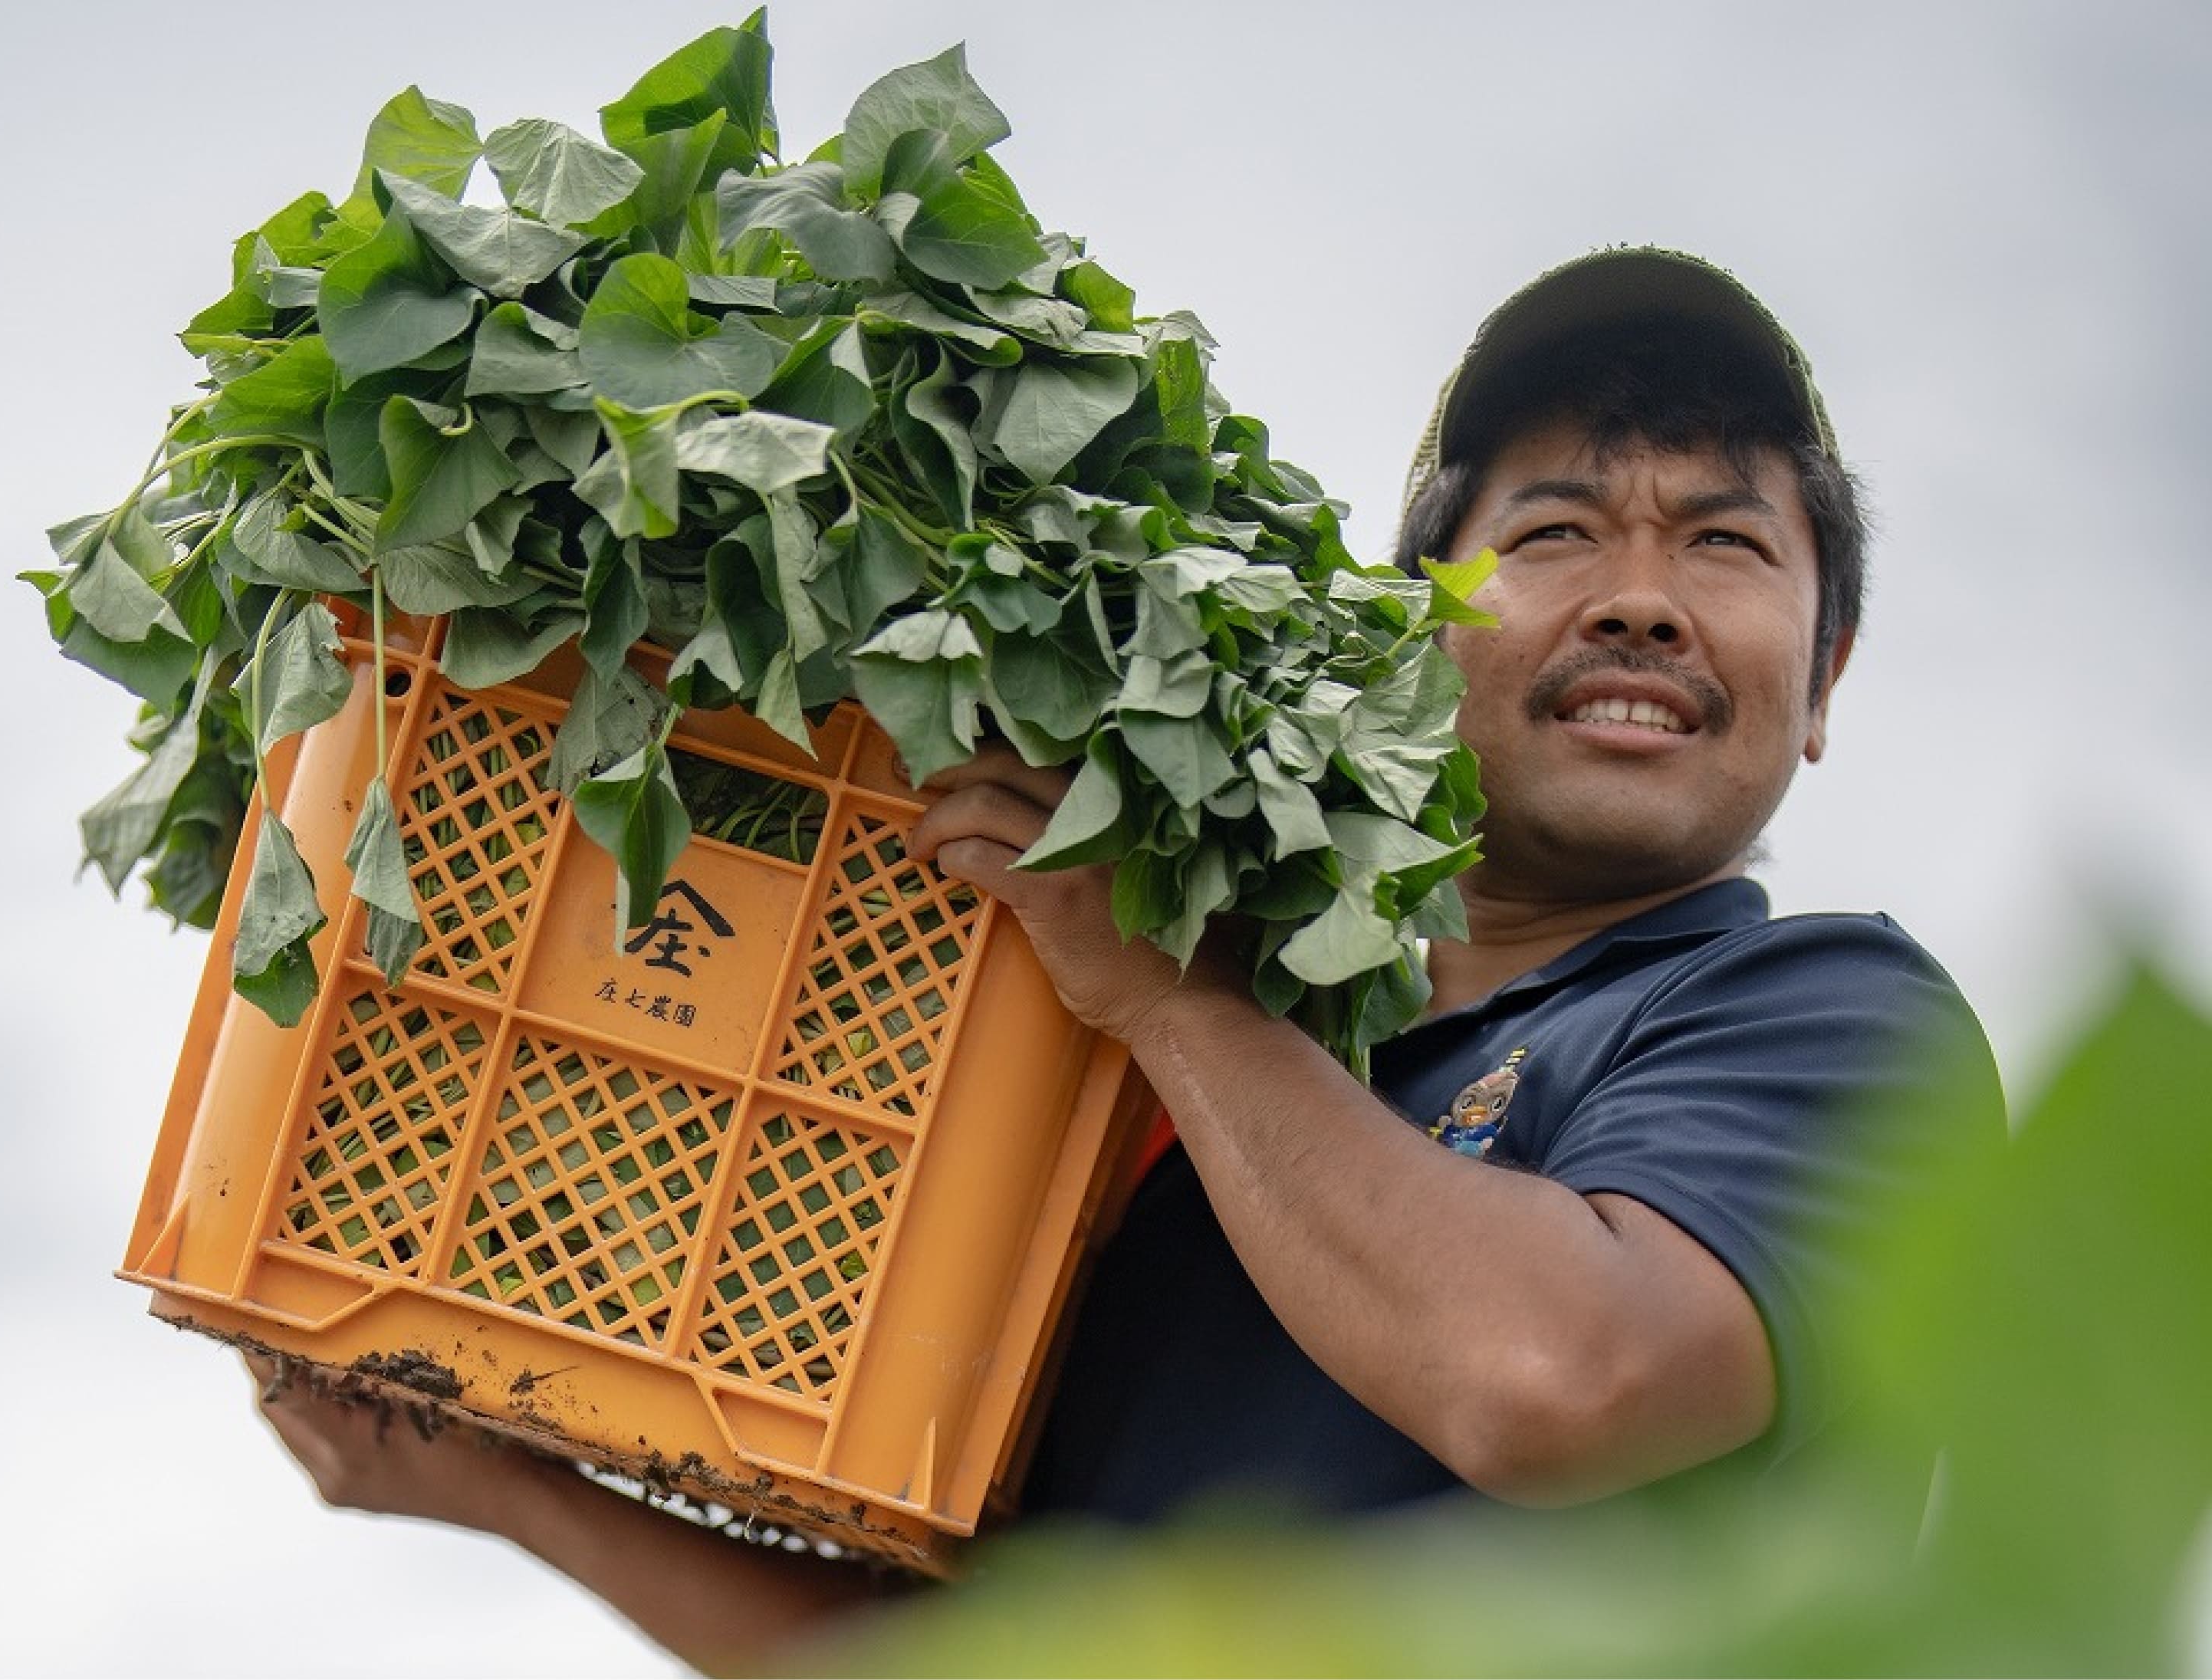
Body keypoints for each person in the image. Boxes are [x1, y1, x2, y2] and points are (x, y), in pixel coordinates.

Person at [245, 248, 1999, 1673]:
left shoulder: (1828, 1020)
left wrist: (1166, 996)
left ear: (1822, 677)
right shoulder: (1191, 1124)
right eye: (1551, 534)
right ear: (1412, 643)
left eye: (1724, 539)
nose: (1638, 595)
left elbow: (1560, 1380)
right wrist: (497, 1480)